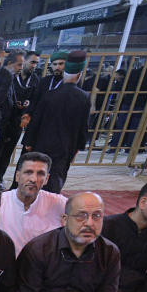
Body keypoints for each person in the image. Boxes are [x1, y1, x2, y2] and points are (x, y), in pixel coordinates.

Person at [23, 50, 90, 194]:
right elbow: (83, 126)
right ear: (79, 75)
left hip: (42, 144)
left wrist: (28, 141)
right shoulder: (84, 97)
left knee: (36, 175)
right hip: (65, 148)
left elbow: (36, 121)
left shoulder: (50, 95)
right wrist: (79, 145)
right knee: (56, 179)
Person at [0, 152, 66, 256]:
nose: (33, 179)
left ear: (46, 179)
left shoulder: (59, 203)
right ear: (17, 176)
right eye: (28, 172)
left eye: (40, 174)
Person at [0, 51, 33, 188]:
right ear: (9, 63)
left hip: (12, 125)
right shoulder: (0, 78)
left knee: (5, 155)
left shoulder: (32, 80)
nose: (21, 67)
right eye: (19, 64)